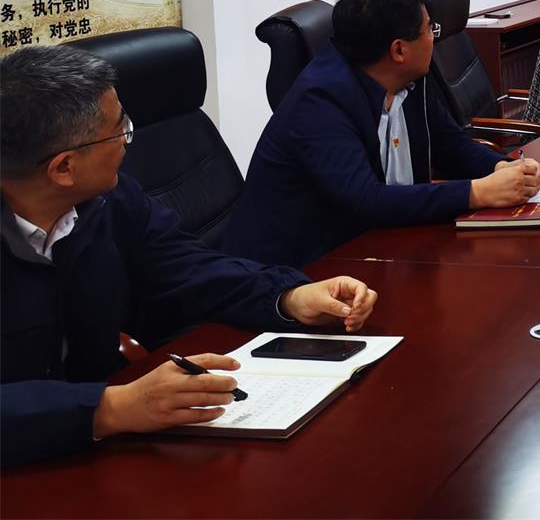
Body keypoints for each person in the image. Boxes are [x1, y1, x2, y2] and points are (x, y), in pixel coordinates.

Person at [1, 45, 379, 467]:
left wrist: (288, 296)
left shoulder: (108, 199)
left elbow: (184, 265)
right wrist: (110, 407)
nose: (128, 140)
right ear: (63, 168)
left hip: (102, 453)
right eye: (119, 130)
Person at [224, 0, 540, 267]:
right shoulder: (320, 101)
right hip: (298, 272)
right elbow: (365, 200)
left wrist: (502, 168)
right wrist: (476, 193)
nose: (434, 39)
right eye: (429, 30)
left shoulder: (410, 78)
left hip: (381, 249)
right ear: (399, 50)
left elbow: (450, 144)